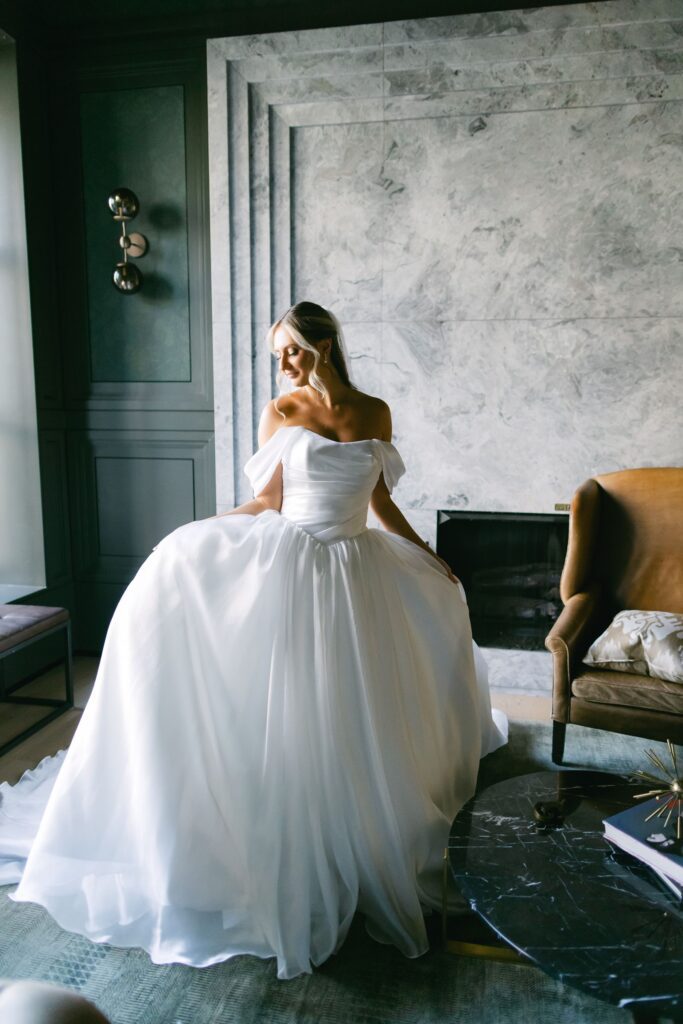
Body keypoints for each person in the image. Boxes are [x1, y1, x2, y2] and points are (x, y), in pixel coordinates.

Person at [0, 301, 506, 980]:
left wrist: (428, 555)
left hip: (359, 567)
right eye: (278, 354)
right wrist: (202, 531)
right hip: (291, 563)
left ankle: (360, 823)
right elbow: (268, 501)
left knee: (358, 700)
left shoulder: (375, 412)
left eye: (292, 349)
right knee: (292, 700)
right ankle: (287, 827)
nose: (284, 363)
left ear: (324, 344)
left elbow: (380, 502)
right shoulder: (281, 412)